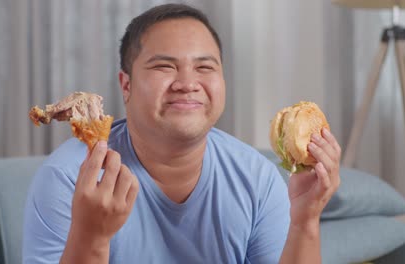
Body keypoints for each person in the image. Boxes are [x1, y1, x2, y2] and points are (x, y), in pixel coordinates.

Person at [22, 3, 341, 264]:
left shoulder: (256, 178)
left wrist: (305, 220)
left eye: (205, 68)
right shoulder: (68, 179)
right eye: (164, 67)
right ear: (126, 85)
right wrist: (91, 237)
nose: (188, 83)